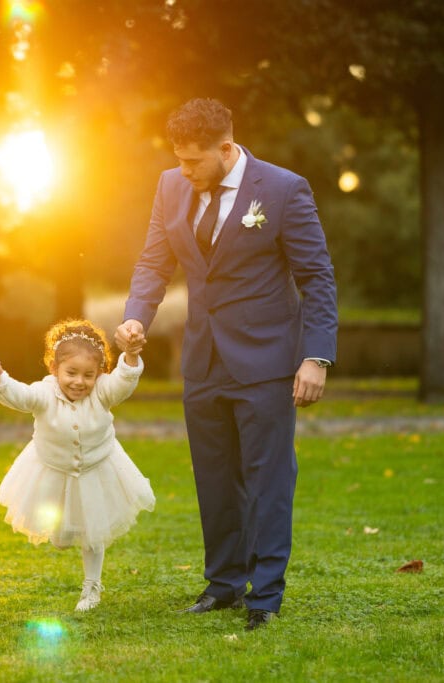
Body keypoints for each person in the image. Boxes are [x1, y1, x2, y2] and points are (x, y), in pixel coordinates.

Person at [116, 98, 337, 631]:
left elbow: (317, 277)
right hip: (202, 360)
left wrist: (316, 356)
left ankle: (266, 593)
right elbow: (153, 262)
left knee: (266, 478)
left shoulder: (284, 189)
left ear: (226, 148)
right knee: (214, 477)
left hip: (266, 360)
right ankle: (223, 584)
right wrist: (134, 317)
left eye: (193, 161)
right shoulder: (172, 186)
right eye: (178, 159)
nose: (183, 170)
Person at [0, 319, 155, 612]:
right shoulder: (44, 393)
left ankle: (92, 586)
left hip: (97, 467)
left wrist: (131, 356)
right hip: (53, 467)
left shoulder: (103, 390)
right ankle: (64, 533)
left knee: (93, 530)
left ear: (100, 373)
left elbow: (123, 382)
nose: (79, 382)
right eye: (71, 373)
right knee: (62, 538)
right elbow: (20, 396)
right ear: (54, 369)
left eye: (89, 375)